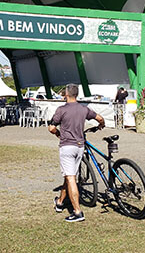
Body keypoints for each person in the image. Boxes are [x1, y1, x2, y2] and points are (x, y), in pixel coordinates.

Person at [48, 84, 105, 222]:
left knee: (71, 178)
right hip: (80, 146)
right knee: (69, 175)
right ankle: (60, 202)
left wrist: (58, 134)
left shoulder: (61, 110)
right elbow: (99, 118)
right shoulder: (84, 109)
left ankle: (77, 212)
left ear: (66, 95)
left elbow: (51, 128)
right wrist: (100, 126)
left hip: (67, 146)